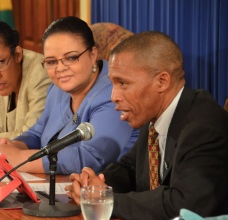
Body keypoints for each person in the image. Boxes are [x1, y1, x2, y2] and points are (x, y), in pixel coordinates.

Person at [66, 31, 228, 219]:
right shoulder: (154, 115)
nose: (113, 97)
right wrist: (97, 185)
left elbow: (185, 205)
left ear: (162, 81)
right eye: (113, 83)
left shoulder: (203, 125)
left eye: (123, 83)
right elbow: (130, 168)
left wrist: (105, 201)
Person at [0, 16, 139, 174]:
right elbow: (37, 133)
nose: (60, 68)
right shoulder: (57, 89)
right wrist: (14, 146)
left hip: (106, 194)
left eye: (71, 58)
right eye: (51, 62)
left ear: (93, 55)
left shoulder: (114, 92)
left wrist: (20, 159)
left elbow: (90, 158)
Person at [0, 20, 51, 144]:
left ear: (18, 55)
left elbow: (30, 137)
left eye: (1, 62)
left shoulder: (40, 73)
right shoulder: (1, 77)